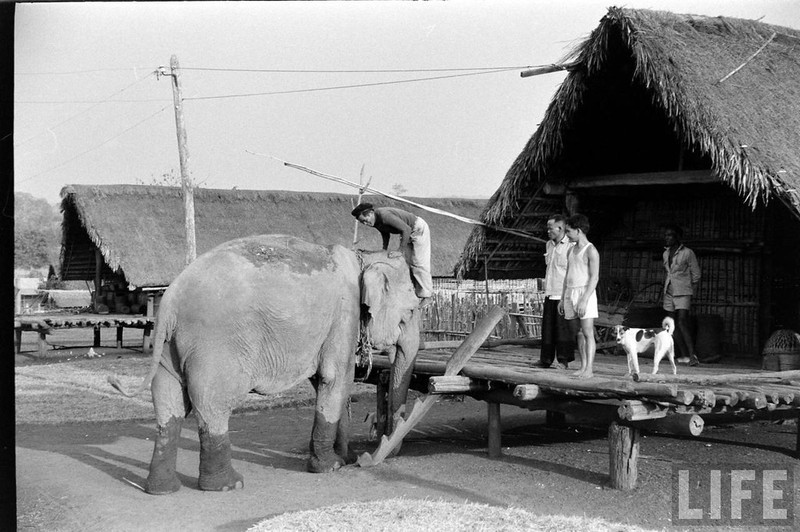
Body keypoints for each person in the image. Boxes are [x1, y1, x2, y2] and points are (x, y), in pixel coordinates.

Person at [351, 203, 432, 305]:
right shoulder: (375, 221)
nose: (366, 223)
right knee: (407, 262)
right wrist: (384, 249)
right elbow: (385, 233)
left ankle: (427, 296)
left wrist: (400, 250)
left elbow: (406, 229)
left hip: (417, 229)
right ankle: (415, 291)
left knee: (418, 262)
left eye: (365, 220)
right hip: (408, 232)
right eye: (363, 223)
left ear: (371, 213)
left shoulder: (385, 216)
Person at [558, 214, 599, 379]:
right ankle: (582, 366)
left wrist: (584, 299)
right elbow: (567, 276)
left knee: (588, 331)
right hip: (570, 291)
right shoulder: (570, 249)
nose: (566, 234)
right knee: (578, 332)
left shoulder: (591, 250)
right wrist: (562, 298)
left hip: (585, 293)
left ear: (579, 230)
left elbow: (594, 278)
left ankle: (589, 368)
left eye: (568, 231)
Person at [532, 214, 576, 369]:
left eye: (550, 228)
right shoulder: (548, 245)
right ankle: (545, 359)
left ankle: (564, 361)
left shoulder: (571, 246)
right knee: (548, 329)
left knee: (563, 329)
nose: (548, 231)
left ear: (560, 228)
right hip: (550, 291)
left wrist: (567, 296)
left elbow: (571, 272)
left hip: (564, 293)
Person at [662, 224, 705, 366]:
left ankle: (692, 356)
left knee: (682, 322)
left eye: (670, 235)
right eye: (666, 235)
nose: (666, 238)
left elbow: (696, 274)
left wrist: (688, 289)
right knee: (670, 325)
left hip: (683, 292)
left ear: (677, 237)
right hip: (669, 292)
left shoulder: (688, 253)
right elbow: (669, 274)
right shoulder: (666, 253)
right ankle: (684, 355)